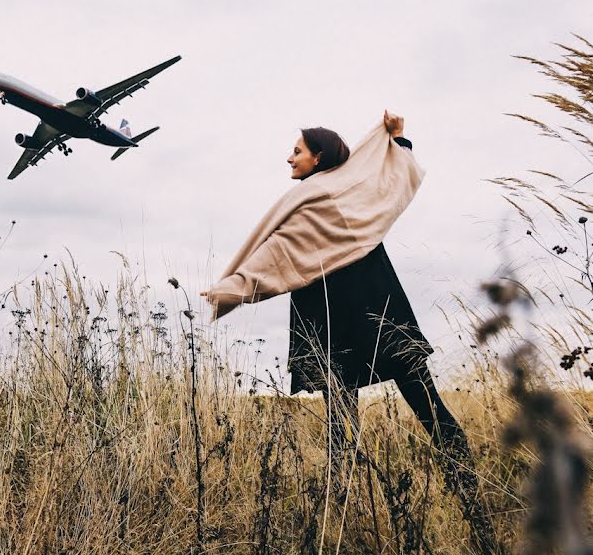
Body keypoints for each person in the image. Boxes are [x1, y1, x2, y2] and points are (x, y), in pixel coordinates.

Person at [203, 111, 500, 553]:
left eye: (297, 151)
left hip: (341, 318)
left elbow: (277, 256)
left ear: (318, 156)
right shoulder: (351, 198)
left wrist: (230, 289)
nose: (289, 158)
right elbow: (390, 181)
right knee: (410, 416)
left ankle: (466, 520)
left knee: (376, 426)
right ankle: (357, 531)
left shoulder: (312, 200)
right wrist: (399, 142)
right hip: (375, 308)